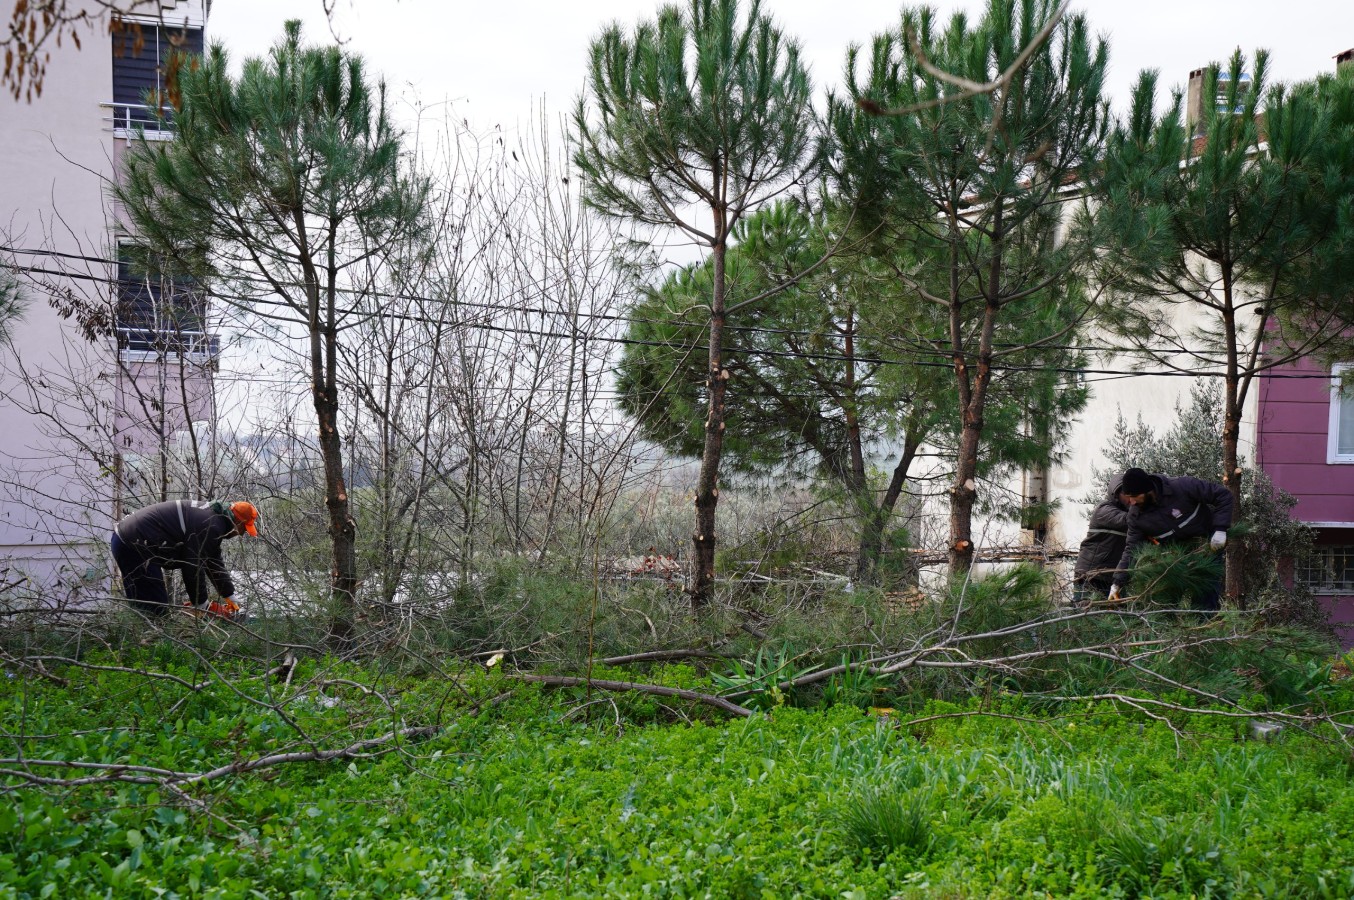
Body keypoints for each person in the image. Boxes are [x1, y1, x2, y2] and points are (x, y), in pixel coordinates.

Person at [1107, 468, 1232, 611]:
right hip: (1176, 556)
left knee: (1204, 596)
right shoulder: (1135, 517)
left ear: (1147, 490)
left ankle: (1205, 626)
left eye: (1135, 496)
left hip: (1206, 546)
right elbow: (1131, 549)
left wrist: (1220, 529)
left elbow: (1223, 496)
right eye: (1129, 497)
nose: (1132, 502)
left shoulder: (1183, 486)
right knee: (1167, 601)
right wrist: (1117, 582)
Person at [111, 499, 259, 620]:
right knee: (155, 610)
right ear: (238, 523)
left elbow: (213, 561)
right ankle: (146, 648)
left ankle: (142, 644)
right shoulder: (211, 525)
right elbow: (192, 566)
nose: (242, 534)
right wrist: (202, 606)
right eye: (244, 529)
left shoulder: (215, 519)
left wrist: (230, 598)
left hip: (130, 540)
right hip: (133, 544)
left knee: (147, 606)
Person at [1072, 476, 1130, 605]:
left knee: (1114, 619)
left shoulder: (1130, 512)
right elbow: (1127, 520)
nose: (1129, 497)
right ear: (1115, 494)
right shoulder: (1104, 510)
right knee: (1086, 616)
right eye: (1125, 493)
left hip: (1112, 577)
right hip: (1092, 575)